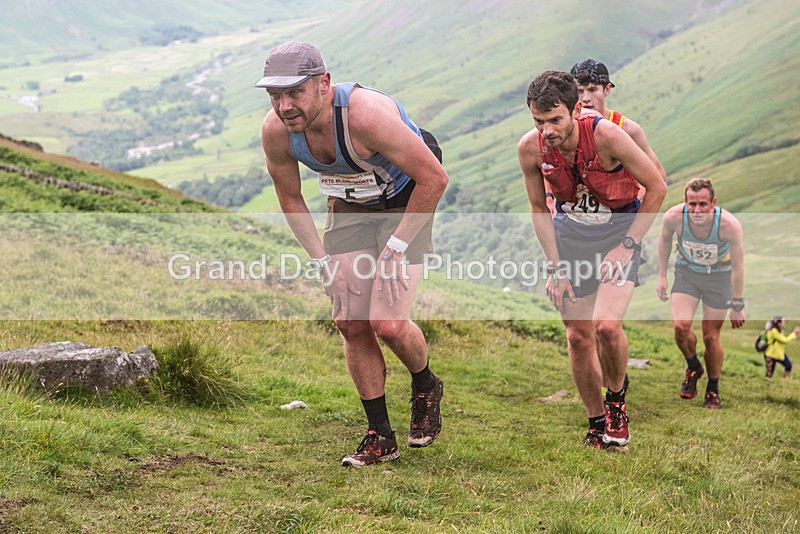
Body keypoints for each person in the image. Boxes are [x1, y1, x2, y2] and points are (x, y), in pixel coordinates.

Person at [256, 41, 448, 467]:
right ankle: (380, 434)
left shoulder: (363, 116)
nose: (285, 106)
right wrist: (324, 263)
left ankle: (425, 384)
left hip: (407, 195)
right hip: (352, 202)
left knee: (389, 324)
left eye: (295, 93)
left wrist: (396, 247)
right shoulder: (276, 131)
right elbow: (290, 198)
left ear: (324, 84)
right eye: (275, 96)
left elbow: (435, 178)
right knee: (348, 318)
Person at [518, 70, 666, 449]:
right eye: (538, 121)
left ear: (575, 109)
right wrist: (554, 266)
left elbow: (657, 187)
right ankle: (595, 420)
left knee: (606, 327)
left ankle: (616, 402)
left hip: (619, 235)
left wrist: (627, 246)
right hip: (572, 240)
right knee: (578, 337)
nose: (546, 130)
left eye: (554, 120)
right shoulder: (531, 148)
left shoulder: (607, 135)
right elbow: (538, 207)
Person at [656, 178, 745, 409]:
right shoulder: (674, 217)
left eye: (703, 204)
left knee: (710, 337)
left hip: (719, 278)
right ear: (685, 202)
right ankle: (693, 366)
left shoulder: (729, 225)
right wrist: (662, 276)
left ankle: (713, 389)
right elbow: (664, 240)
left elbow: (738, 266)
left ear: (713, 203)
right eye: (691, 204)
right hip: (687, 275)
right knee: (680, 327)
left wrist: (737, 304)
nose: (696, 210)